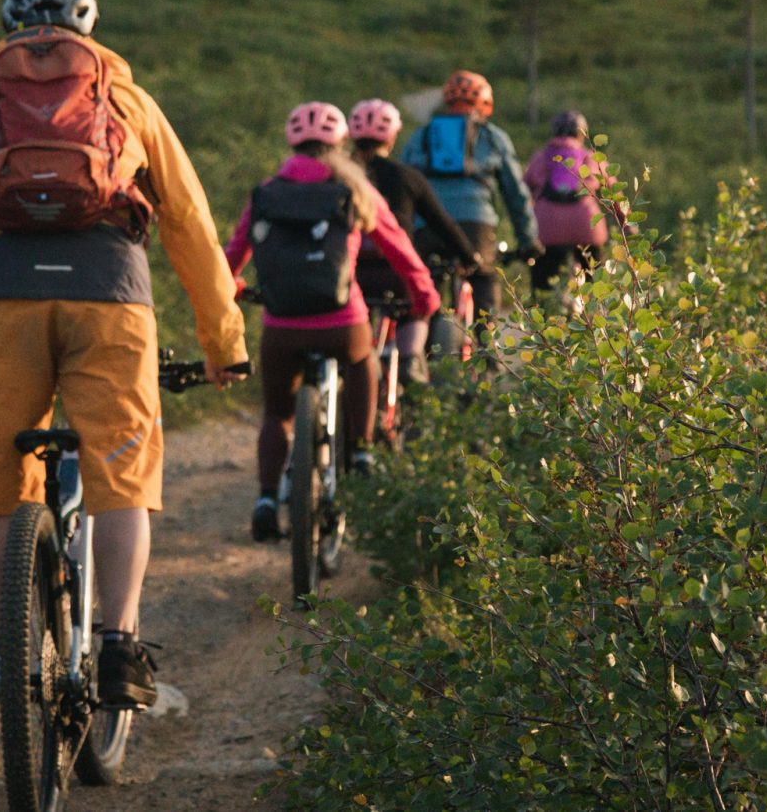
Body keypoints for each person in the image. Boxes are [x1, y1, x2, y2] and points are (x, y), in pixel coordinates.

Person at [0, 0, 249, 709]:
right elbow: (188, 221)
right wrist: (224, 343)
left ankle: (0, 653)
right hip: (112, 297)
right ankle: (120, 651)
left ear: (8, 26)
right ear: (89, 26)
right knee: (121, 477)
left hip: (3, 301)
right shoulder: (127, 98)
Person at [224, 102, 439, 542]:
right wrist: (425, 298)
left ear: (292, 142)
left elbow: (232, 256)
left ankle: (266, 498)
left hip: (282, 324)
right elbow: (399, 248)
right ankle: (361, 453)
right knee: (364, 363)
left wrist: (234, 289)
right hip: (342, 321)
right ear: (339, 141)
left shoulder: (266, 192)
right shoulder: (353, 187)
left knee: (277, 415)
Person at [346, 98, 480, 384]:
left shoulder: (336, 176)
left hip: (348, 272)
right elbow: (442, 223)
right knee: (414, 307)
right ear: (393, 136)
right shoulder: (406, 176)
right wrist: (469, 256)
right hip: (394, 271)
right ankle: (409, 358)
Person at [399, 70, 542, 318]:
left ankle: (422, 348)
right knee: (484, 282)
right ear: (485, 105)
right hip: (476, 225)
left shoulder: (421, 136)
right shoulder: (493, 137)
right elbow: (515, 193)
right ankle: (489, 352)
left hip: (428, 226)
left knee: (426, 292)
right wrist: (528, 239)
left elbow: (401, 183)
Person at [522, 110, 622, 298]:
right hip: (587, 228)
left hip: (547, 229)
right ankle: (596, 317)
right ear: (581, 133)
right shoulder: (592, 157)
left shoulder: (541, 157)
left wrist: (524, 228)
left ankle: (540, 317)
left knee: (542, 285)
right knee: (595, 283)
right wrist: (629, 225)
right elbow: (616, 195)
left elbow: (522, 193)